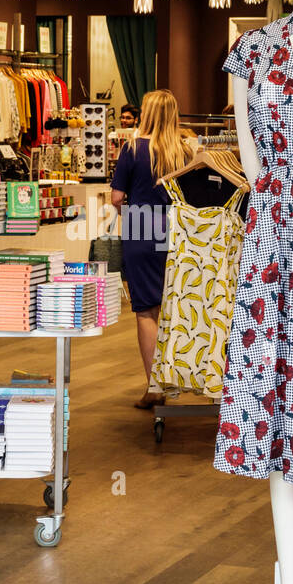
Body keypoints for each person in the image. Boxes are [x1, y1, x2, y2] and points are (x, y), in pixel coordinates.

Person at [110, 89, 188, 409]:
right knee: (173, 307)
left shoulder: (132, 148)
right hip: (177, 230)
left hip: (141, 226)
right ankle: (182, 377)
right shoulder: (184, 151)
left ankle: (155, 386)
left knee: (146, 310)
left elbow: (116, 197)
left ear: (147, 113)